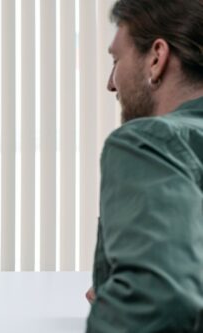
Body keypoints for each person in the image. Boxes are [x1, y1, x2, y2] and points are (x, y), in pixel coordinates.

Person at [87, 0, 203, 331]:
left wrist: (129, 300)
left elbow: (158, 303)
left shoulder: (149, 142)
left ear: (156, 58)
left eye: (116, 59)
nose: (111, 83)